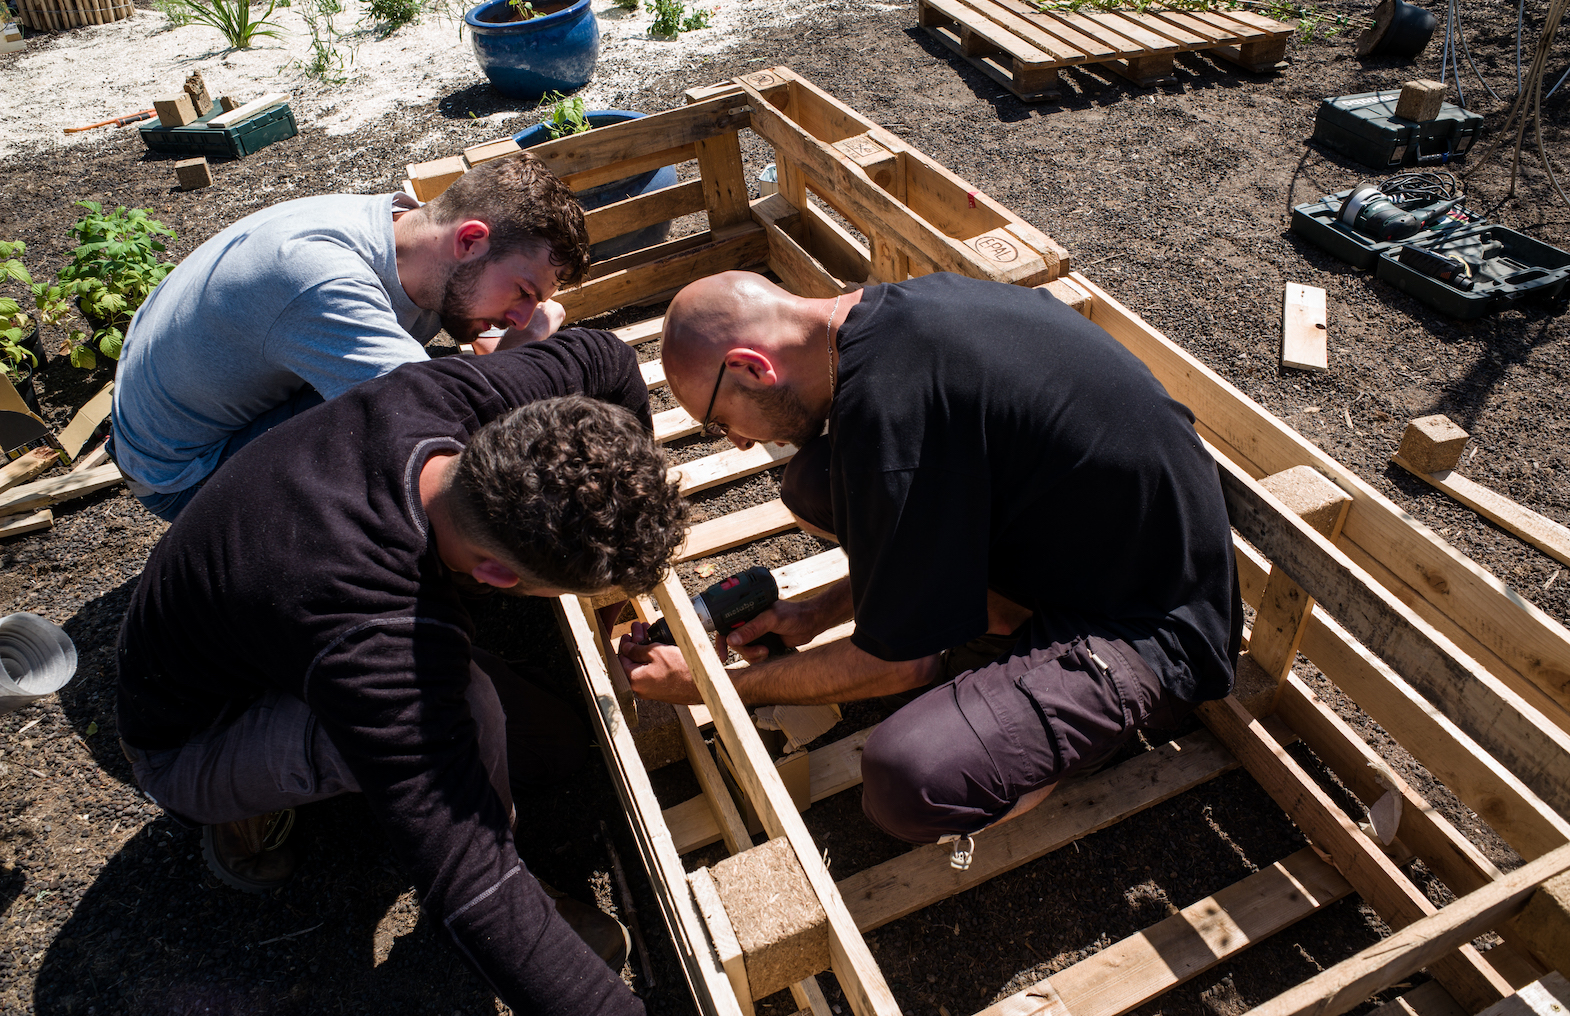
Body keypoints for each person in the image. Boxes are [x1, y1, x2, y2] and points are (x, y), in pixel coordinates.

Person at [115, 328, 687, 1016]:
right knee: (471, 713)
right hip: (193, 736)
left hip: (257, 615)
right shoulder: (376, 638)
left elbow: (609, 359)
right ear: (497, 573)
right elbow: (472, 884)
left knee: (557, 746)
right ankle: (245, 810)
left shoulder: (447, 399)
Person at [618, 270, 1241, 852]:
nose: (739, 441)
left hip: (1150, 624)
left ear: (751, 368)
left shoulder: (888, 422)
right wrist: (813, 614)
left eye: (719, 420)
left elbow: (900, 663)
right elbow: (928, 494)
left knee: (907, 780)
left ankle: (1062, 732)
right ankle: (1000, 631)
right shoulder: (886, 324)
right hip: (1093, 545)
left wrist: (709, 686)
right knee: (818, 479)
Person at [110, 153, 590, 521]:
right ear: (469, 240)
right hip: (184, 474)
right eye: (523, 291)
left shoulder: (410, 234)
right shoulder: (323, 280)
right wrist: (523, 351)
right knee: (426, 474)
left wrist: (503, 341)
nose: (525, 314)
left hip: (194, 412)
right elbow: (442, 417)